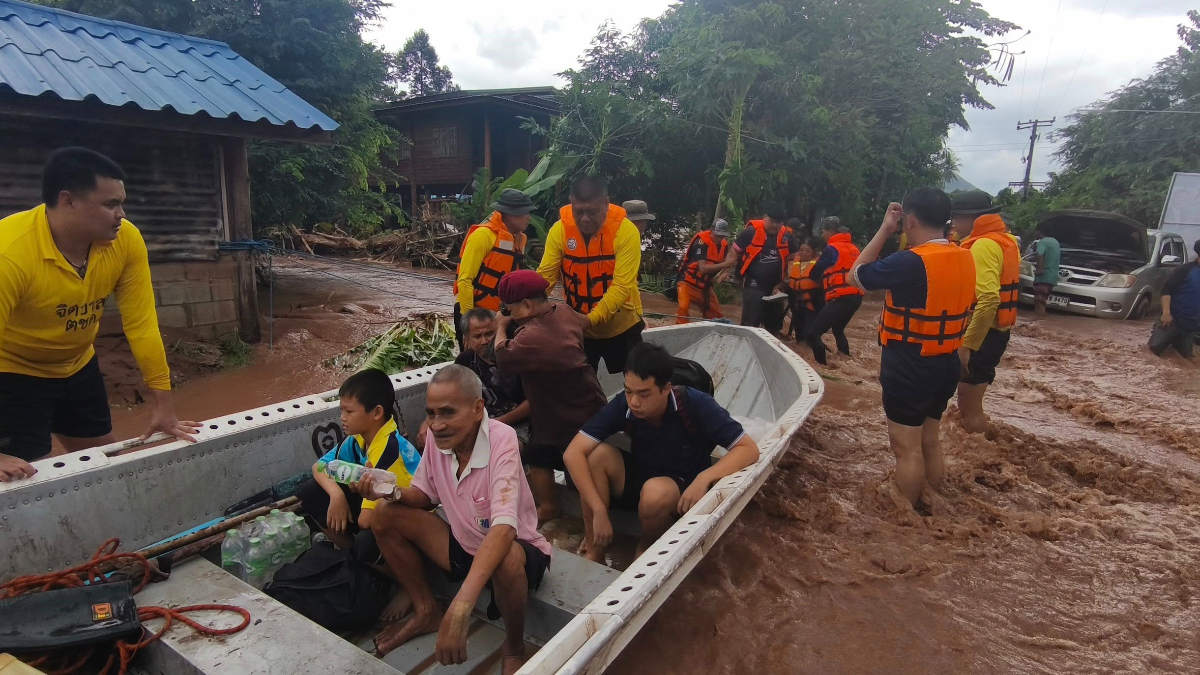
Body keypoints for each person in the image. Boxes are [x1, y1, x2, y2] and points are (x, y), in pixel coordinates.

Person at [0, 148, 199, 482]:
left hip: (77, 365)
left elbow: (142, 324)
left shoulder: (125, 241)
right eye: (110, 205)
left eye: (121, 203)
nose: (121, 214)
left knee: (105, 466)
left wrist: (165, 408)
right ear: (68, 200)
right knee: (25, 479)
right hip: (13, 373)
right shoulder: (10, 253)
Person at [369, 365, 550, 675]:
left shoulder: (501, 440)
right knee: (384, 514)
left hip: (515, 548)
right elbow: (425, 496)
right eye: (431, 414)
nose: (436, 425)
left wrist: (462, 605)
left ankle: (514, 646)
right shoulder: (440, 442)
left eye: (448, 413)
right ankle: (426, 609)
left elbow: (505, 527)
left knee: (505, 558)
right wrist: (388, 489)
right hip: (464, 543)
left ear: (478, 408)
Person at [563, 343, 760, 563]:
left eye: (644, 394)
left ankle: (646, 545)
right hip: (641, 475)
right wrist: (599, 510)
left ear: (666, 388)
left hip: (680, 487)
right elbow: (573, 453)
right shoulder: (625, 404)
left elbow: (748, 449)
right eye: (629, 391)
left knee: (654, 492)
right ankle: (595, 547)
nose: (634, 402)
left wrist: (705, 478)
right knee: (596, 456)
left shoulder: (695, 404)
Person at [848, 188, 975, 508]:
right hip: (946, 362)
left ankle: (905, 521)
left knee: (907, 450)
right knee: (929, 442)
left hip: (909, 365)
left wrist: (884, 229)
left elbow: (855, 276)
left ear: (910, 220)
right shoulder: (964, 256)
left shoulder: (909, 262)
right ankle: (931, 506)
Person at [493, 270, 607, 521]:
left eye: (510, 309)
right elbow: (584, 322)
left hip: (573, 410)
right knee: (538, 453)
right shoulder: (564, 311)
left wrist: (501, 327)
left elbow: (502, 356)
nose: (509, 315)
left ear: (526, 305)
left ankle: (590, 519)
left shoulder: (531, 337)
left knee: (577, 467)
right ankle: (549, 506)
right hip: (572, 402)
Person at [296, 369, 421, 567]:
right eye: (342, 410)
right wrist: (337, 496)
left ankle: (388, 574)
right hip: (380, 509)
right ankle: (352, 557)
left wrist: (345, 501)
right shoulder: (357, 439)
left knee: (367, 541)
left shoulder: (389, 451)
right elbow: (319, 466)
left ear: (377, 413)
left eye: (349, 411)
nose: (342, 418)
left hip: (413, 526)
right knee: (311, 491)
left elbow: (366, 521)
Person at [539, 176, 644, 374]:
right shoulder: (559, 230)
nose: (585, 218)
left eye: (592, 211)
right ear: (571, 203)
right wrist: (525, 304)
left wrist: (590, 319)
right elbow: (546, 277)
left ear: (606, 203)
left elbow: (622, 286)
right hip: (579, 328)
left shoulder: (626, 231)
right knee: (579, 386)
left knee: (636, 379)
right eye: (578, 211)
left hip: (621, 327)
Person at [951, 191, 1020, 433]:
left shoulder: (983, 245)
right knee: (971, 404)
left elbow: (988, 299)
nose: (954, 225)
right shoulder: (1003, 240)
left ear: (972, 219)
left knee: (969, 407)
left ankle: (980, 463)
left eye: (956, 218)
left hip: (983, 336)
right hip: (996, 332)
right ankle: (984, 455)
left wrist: (967, 345)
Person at [452, 188, 534, 351]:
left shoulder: (520, 239)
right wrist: (469, 323)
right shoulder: (483, 236)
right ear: (511, 214)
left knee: (499, 362)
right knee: (473, 361)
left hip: (500, 315)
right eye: (525, 213)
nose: (529, 218)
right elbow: (465, 280)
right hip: (474, 312)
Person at [454, 308, 531, 445]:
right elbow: (452, 396)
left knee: (509, 449)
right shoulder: (464, 361)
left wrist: (499, 422)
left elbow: (532, 402)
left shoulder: (514, 357)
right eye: (477, 336)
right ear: (467, 338)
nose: (484, 341)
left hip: (516, 424)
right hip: (478, 422)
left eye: (489, 334)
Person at [806, 216, 865, 365]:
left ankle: (822, 367)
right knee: (838, 329)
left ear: (831, 231)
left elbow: (814, 273)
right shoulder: (854, 248)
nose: (822, 235)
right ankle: (846, 362)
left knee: (813, 334)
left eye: (823, 231)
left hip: (841, 298)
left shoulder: (831, 249)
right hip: (856, 297)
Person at [732, 203, 792, 330]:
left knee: (773, 325)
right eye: (772, 221)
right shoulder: (750, 232)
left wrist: (783, 284)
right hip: (754, 283)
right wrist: (727, 269)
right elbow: (734, 252)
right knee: (751, 321)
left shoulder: (787, 237)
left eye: (779, 222)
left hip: (777, 287)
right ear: (765, 217)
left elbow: (794, 261)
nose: (775, 225)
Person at [675, 219, 736, 324]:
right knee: (683, 307)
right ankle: (680, 329)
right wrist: (726, 265)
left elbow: (731, 258)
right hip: (687, 283)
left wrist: (726, 271)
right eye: (717, 235)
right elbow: (702, 268)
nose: (719, 238)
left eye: (722, 236)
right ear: (711, 230)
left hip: (705, 287)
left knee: (716, 315)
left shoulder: (724, 245)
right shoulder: (701, 242)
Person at [1149, 239, 1200, 358]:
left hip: (1191, 325)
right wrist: (1166, 313)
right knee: (1152, 352)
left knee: (1185, 359)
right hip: (1172, 320)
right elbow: (1167, 290)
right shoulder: (1185, 270)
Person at [785, 238, 823, 342]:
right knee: (799, 336)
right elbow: (787, 281)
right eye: (801, 250)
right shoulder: (794, 263)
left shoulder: (820, 265)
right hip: (796, 303)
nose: (804, 253)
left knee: (809, 334)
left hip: (813, 304)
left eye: (807, 250)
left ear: (814, 252)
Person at [1031, 222, 1061, 317]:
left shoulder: (1042, 242)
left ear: (1039, 231)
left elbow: (1040, 255)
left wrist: (1039, 270)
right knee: (1043, 301)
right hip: (1052, 277)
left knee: (1038, 302)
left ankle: (1037, 324)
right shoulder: (1055, 242)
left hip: (1043, 277)